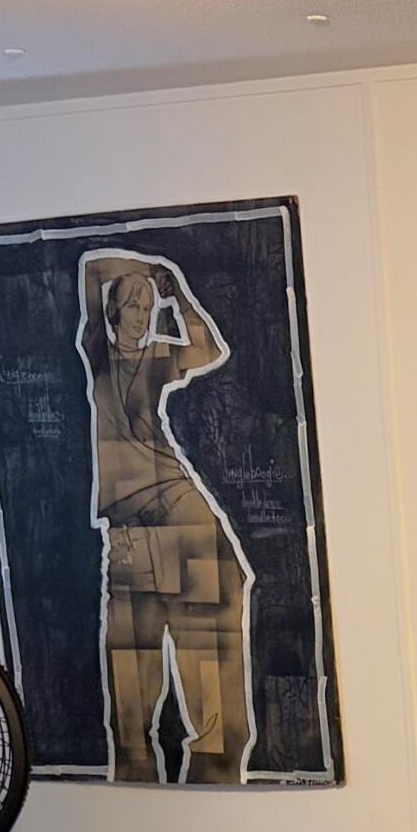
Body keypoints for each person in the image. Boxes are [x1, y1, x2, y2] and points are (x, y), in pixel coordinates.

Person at [80, 249, 254, 784]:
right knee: (129, 679)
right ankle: (138, 799)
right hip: (129, 536)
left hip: (180, 516)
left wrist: (175, 292)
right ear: (112, 312)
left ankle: (216, 779)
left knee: (210, 643)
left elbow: (208, 348)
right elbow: (93, 271)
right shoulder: (99, 357)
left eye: (147, 307)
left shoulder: (156, 357)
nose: (141, 316)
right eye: (131, 306)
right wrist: (148, 271)